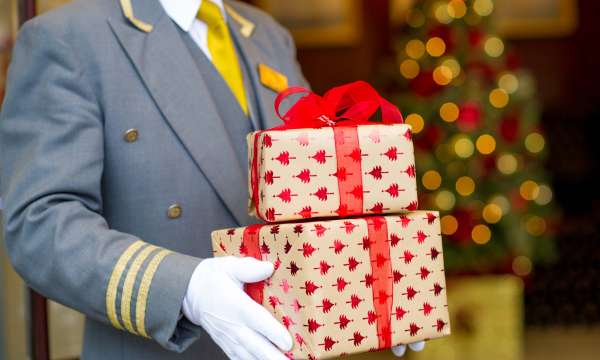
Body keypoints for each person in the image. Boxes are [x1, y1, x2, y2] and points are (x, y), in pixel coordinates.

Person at [0, 0, 424, 358]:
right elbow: (39, 224)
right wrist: (185, 288)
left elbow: (308, 192)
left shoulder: (267, 34)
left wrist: (374, 279)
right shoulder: (70, 38)